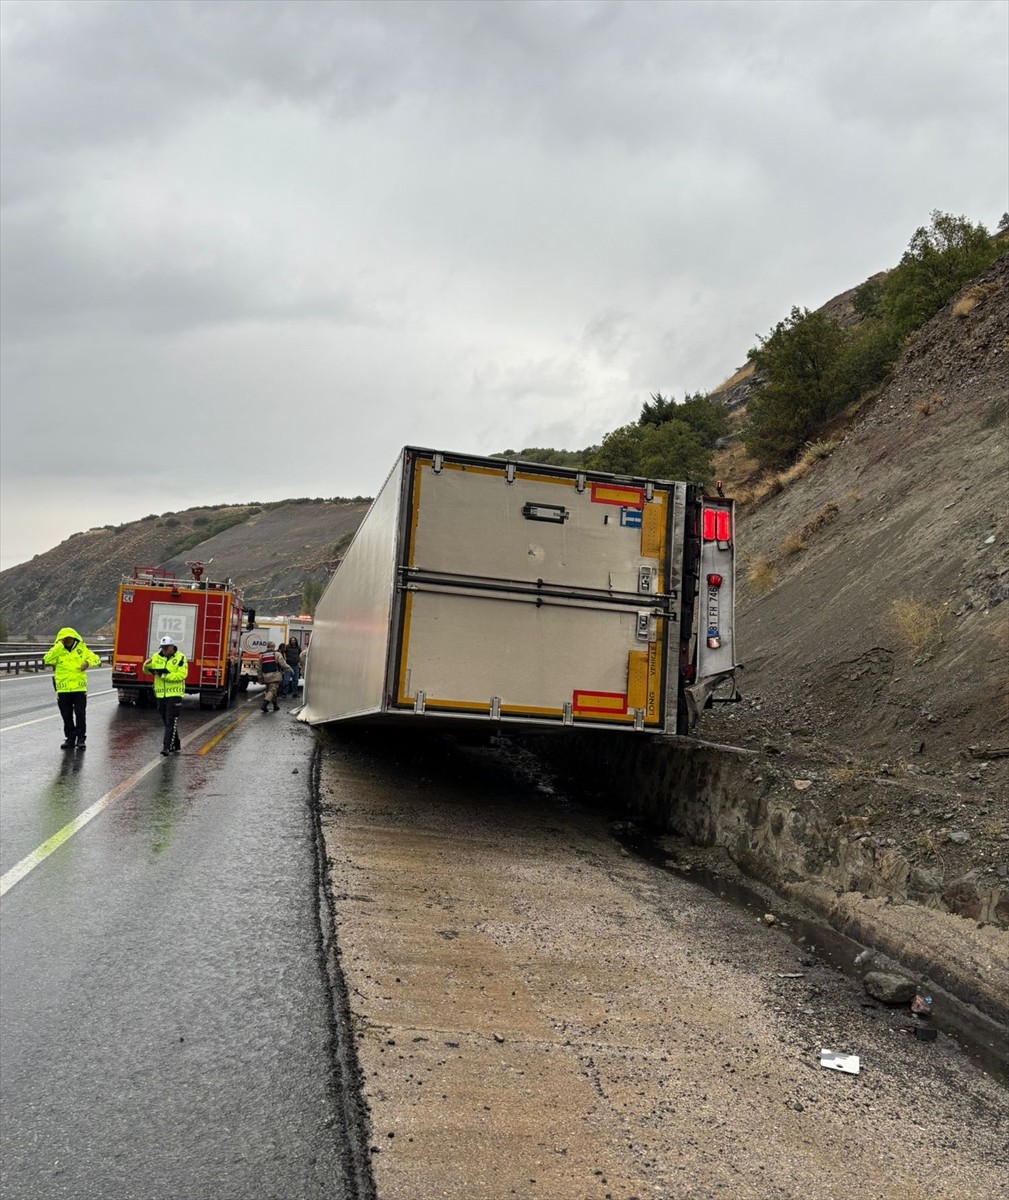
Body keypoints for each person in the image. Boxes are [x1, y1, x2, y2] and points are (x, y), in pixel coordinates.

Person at [43, 627, 101, 750]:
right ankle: (70, 738)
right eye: (65, 638)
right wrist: (59, 646)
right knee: (66, 716)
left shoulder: (81, 649)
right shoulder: (58, 651)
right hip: (63, 689)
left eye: (69, 637)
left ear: (74, 637)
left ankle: (80, 738)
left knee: (80, 714)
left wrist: (88, 663)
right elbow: (47, 659)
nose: (67, 640)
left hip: (79, 689)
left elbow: (96, 658)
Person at [143, 635, 189, 755]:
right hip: (160, 695)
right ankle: (176, 744)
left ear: (172, 647)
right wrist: (146, 665)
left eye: (166, 648)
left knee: (171, 720)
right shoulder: (156, 656)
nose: (163, 650)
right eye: (162, 648)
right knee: (166, 720)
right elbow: (147, 671)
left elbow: (182, 675)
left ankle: (166, 747)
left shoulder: (181, 658)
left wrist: (164, 676)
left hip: (175, 694)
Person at [257, 642, 289, 712]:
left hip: (265, 676)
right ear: (274, 646)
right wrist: (290, 669)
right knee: (272, 691)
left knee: (271, 690)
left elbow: (259, 667)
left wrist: (260, 677)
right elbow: (283, 664)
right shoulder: (276, 654)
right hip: (274, 675)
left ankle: (275, 705)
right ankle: (264, 704)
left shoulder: (262, 655)